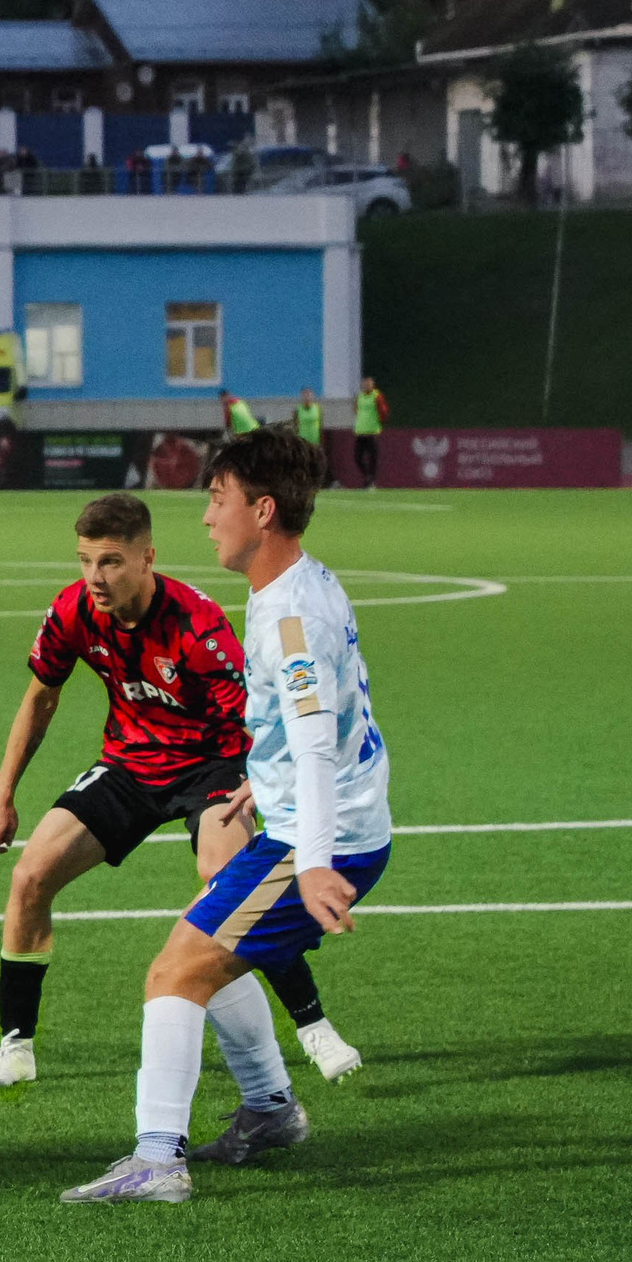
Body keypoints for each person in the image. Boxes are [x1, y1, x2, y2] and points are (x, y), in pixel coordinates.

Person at [64, 431, 392, 1204]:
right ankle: (270, 1110)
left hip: (322, 839)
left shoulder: (289, 620)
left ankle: (156, 1162)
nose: (207, 516)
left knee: (174, 974)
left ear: (263, 510)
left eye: (219, 499)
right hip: (317, 820)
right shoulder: (300, 587)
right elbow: (334, 720)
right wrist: (264, 780)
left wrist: (311, 858)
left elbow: (315, 744)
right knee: (204, 948)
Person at [0, 492, 361, 1090]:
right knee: (31, 875)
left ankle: (313, 1025)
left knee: (227, 878)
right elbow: (41, 696)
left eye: (109, 562)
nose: (94, 578)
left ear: (147, 557)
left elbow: (256, 722)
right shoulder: (74, 610)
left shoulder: (199, 628)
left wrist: (260, 787)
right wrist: (3, 793)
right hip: (129, 764)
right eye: (84, 561)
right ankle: (15, 1046)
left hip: (212, 763)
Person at [353, 375, 388, 489]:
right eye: (364, 383)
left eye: (368, 383)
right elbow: (356, 410)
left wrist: (376, 423)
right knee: (357, 457)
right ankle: (367, 476)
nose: (366, 385)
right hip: (361, 432)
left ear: (373, 384)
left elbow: (383, 411)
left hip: (372, 432)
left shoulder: (377, 396)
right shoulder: (359, 397)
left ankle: (371, 481)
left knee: (373, 458)